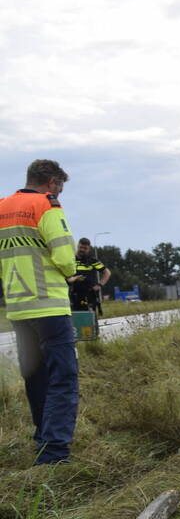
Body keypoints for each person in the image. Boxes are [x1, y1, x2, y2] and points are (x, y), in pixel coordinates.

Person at [0, 159, 80, 465]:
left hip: (18, 307)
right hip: (49, 305)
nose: (60, 192)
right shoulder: (47, 206)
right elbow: (63, 255)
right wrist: (70, 271)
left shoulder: (2, 207)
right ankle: (55, 452)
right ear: (51, 183)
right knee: (63, 378)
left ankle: (42, 439)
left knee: (35, 377)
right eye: (60, 186)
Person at [69, 237, 111, 315]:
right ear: (77, 246)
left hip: (89, 294)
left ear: (89, 249)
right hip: (74, 293)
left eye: (85, 248)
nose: (82, 250)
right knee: (75, 317)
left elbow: (107, 272)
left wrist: (100, 285)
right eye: (81, 247)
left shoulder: (93, 261)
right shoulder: (71, 259)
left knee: (90, 319)